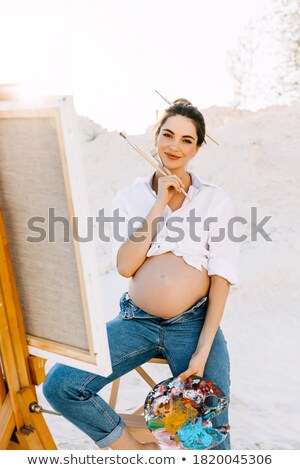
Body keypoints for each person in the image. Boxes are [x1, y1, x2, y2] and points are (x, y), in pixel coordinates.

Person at [43, 99, 239, 450]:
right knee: (60, 384)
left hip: (193, 324)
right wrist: (158, 202)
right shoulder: (130, 196)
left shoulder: (215, 200)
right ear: (155, 135)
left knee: (210, 428)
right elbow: (125, 266)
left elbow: (222, 277)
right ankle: (134, 451)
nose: (174, 146)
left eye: (186, 140)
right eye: (168, 135)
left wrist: (203, 348)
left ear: (198, 147)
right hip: (136, 320)